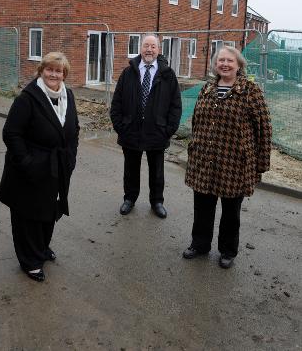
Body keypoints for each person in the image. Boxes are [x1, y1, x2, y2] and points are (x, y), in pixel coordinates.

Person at [183, 46, 272, 269]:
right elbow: (197, 121)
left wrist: (260, 164)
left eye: (229, 61)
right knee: (202, 206)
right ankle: (200, 244)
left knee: (231, 212)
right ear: (215, 65)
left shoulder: (251, 91)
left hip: (235, 162)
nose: (224, 64)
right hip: (204, 159)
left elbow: (264, 129)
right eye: (220, 60)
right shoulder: (207, 88)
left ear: (239, 65)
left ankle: (227, 251)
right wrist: (194, 146)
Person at [0, 52, 79, 282]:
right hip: (29, 171)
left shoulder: (68, 96)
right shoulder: (28, 98)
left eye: (59, 71)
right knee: (28, 216)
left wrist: (71, 157)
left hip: (56, 168)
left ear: (64, 74)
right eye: (50, 70)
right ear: (41, 71)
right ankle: (30, 261)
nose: (54, 74)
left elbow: (74, 131)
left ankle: (42, 248)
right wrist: (27, 163)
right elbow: (11, 134)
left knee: (48, 211)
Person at [110, 34, 182, 218]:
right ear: (140, 48)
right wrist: (120, 126)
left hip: (157, 132)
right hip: (130, 131)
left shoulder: (167, 74)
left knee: (157, 172)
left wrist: (168, 130)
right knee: (130, 170)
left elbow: (176, 105)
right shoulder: (128, 72)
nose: (149, 50)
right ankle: (129, 199)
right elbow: (117, 101)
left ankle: (157, 201)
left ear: (159, 50)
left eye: (153, 46)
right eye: (146, 46)